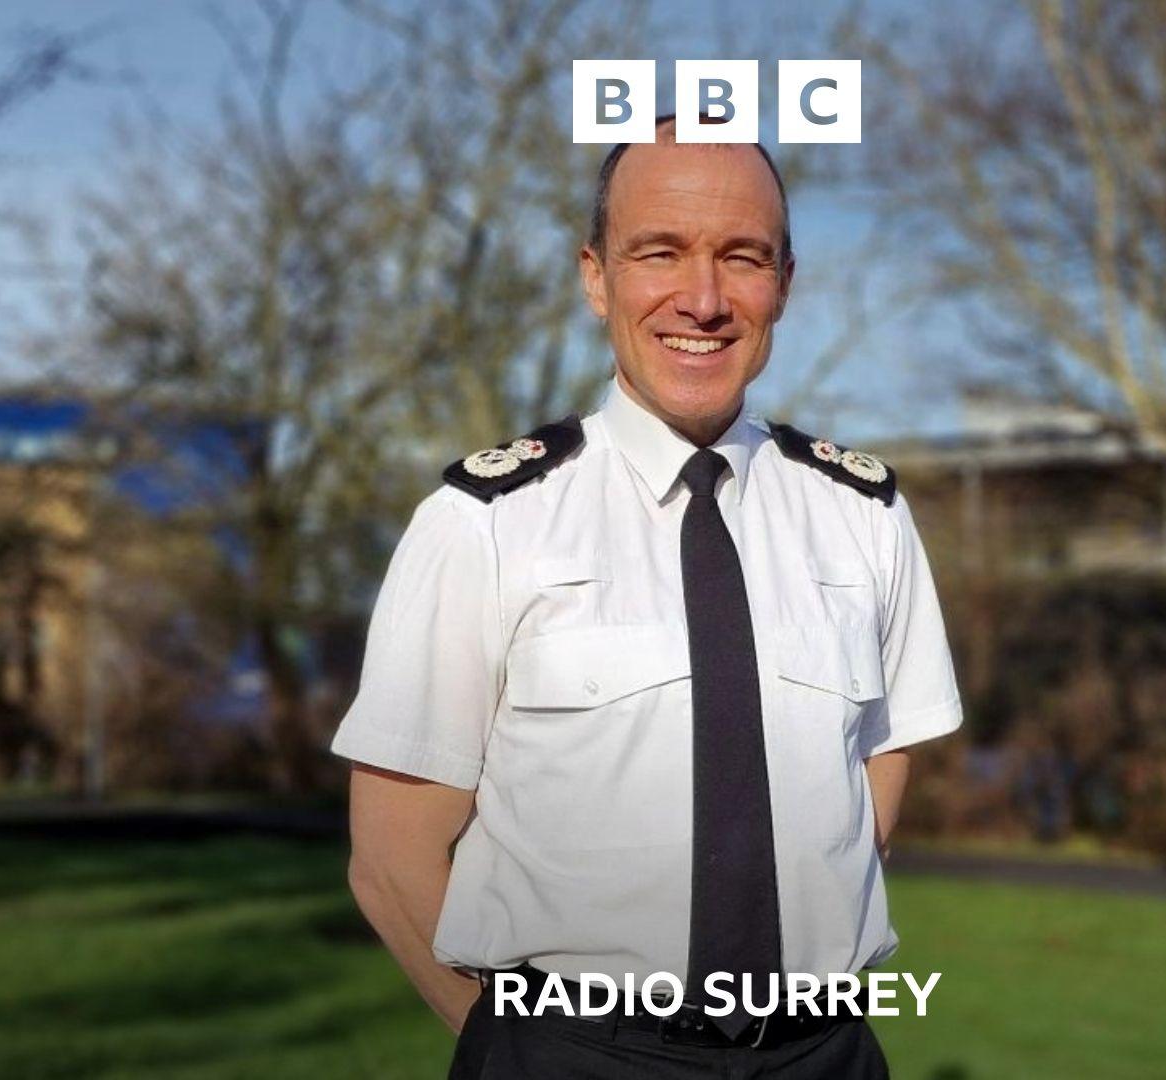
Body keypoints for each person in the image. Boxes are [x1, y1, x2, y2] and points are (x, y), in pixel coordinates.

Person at [333, 113, 963, 1078]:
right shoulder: (486, 520)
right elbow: (390, 856)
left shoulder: (864, 514)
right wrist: (522, 1051)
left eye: (743, 258)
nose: (702, 299)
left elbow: (874, 771)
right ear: (597, 277)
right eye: (659, 251)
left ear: (784, 285)